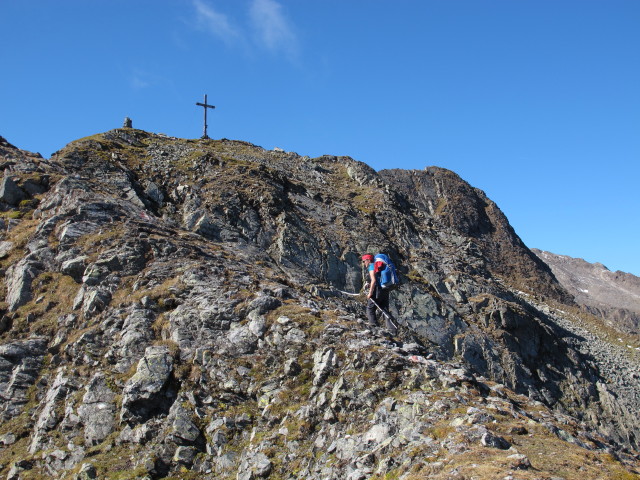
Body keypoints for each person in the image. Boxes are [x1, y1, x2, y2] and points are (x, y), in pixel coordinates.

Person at [362, 253, 397, 335]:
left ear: (368, 260)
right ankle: (392, 330)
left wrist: (370, 293)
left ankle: (374, 326)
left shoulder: (371, 266)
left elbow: (373, 280)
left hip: (377, 290)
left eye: (364, 261)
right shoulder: (378, 265)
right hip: (384, 288)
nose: (363, 263)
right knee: (384, 309)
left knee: (370, 308)